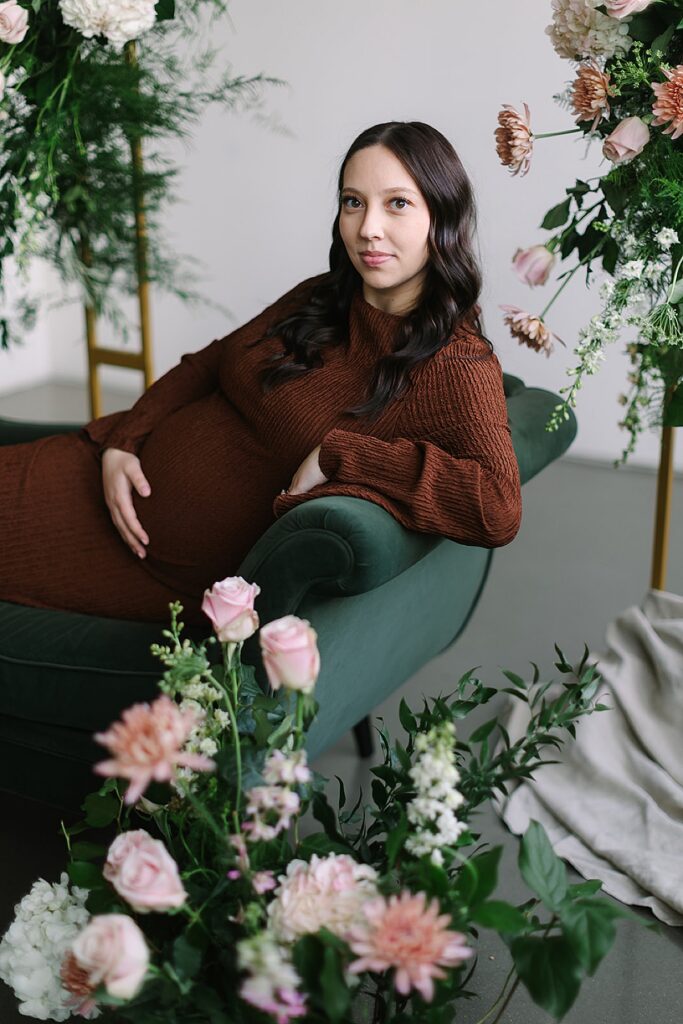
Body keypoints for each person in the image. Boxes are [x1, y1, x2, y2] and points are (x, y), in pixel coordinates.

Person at [0, 121, 522, 626]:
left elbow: (497, 505)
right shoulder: (324, 294)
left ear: (442, 215)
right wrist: (125, 438)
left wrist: (343, 453)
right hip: (98, 471)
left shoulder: (454, 362)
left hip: (146, 566)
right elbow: (210, 362)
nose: (368, 229)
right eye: (353, 201)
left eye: (398, 204)